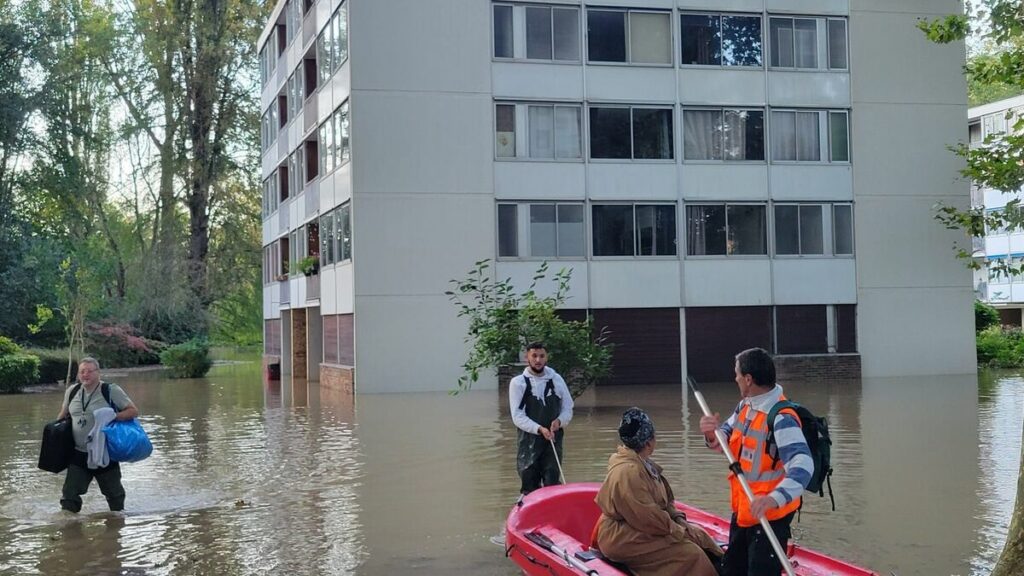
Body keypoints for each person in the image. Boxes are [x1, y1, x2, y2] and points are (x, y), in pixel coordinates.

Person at [699, 348, 814, 576]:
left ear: (749, 379)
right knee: (732, 569)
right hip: (744, 508)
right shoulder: (746, 406)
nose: (735, 379)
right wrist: (712, 434)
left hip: (770, 515)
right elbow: (725, 439)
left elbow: (803, 465)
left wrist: (773, 499)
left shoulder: (781, 418)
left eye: (737, 374)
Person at [594, 407, 723, 576]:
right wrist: (678, 531)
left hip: (640, 528)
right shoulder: (628, 471)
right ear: (648, 442)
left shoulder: (642, 463)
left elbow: (665, 503)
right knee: (691, 554)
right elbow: (647, 517)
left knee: (701, 536)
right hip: (621, 537)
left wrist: (680, 521)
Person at [56, 357, 139, 513]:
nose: (85, 375)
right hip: (79, 453)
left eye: (89, 371)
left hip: (105, 452)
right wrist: (53, 434)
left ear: (98, 373)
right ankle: (70, 529)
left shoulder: (110, 390)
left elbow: (133, 411)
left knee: (115, 497)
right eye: (82, 371)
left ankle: (116, 528)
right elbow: (63, 415)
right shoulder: (72, 391)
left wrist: (112, 416)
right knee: (69, 495)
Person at [508, 341, 573, 495]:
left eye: (541, 356)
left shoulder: (556, 380)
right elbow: (517, 416)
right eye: (534, 356)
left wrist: (559, 421)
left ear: (546, 358)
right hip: (528, 441)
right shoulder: (518, 383)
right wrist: (539, 429)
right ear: (527, 358)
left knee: (552, 480)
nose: (538, 360)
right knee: (529, 482)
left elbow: (568, 408)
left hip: (553, 439)